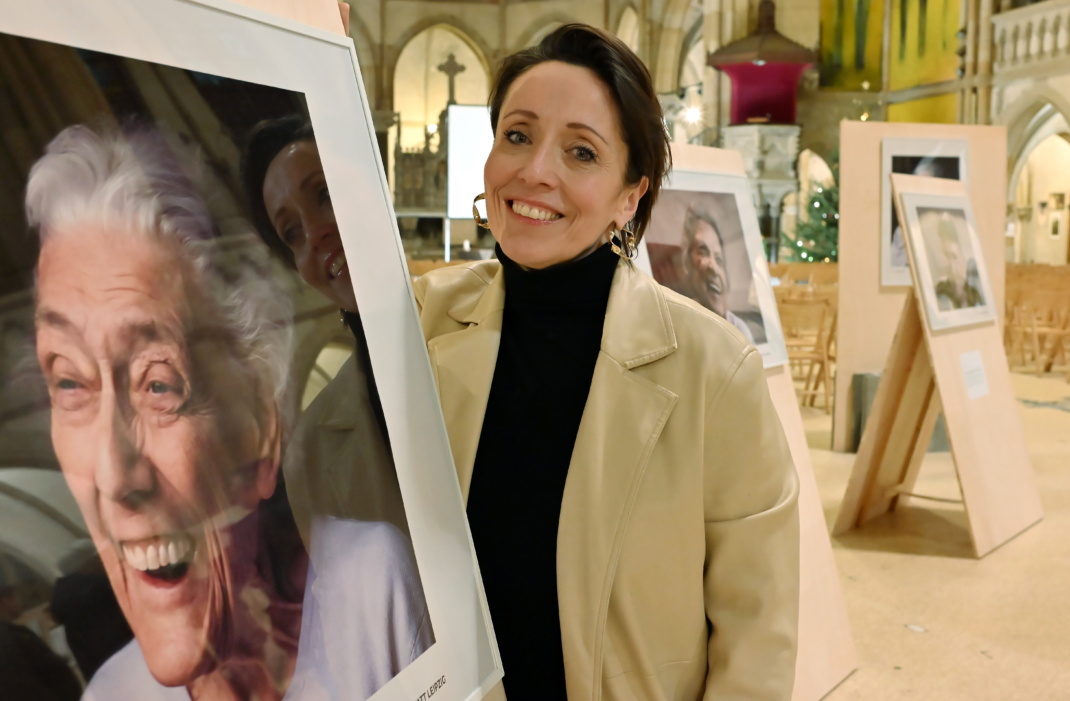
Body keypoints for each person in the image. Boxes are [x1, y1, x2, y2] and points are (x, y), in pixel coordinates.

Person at [414, 24, 800, 701]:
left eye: (581, 151)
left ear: (630, 196)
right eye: (517, 135)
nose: (535, 170)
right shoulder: (420, 318)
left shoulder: (715, 370)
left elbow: (757, 633)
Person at [28, 125, 432, 700]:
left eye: (160, 386)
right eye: (70, 382)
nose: (114, 476)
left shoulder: (369, 582)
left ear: (259, 433)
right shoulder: (110, 694)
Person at [240, 117, 412, 546]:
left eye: (325, 194)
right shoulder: (311, 455)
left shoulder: (494, 326)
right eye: (291, 233)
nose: (315, 235)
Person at [674, 204, 758, 344]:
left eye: (719, 259)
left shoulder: (739, 330)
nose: (713, 266)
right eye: (703, 251)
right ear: (686, 261)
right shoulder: (681, 325)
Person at [928, 211, 984, 310]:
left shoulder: (976, 283)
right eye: (946, 256)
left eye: (954, 257)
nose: (952, 268)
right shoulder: (941, 291)